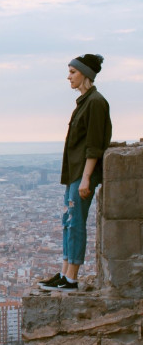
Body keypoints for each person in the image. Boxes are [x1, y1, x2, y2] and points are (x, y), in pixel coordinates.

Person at [39, 54, 112, 292]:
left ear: (85, 74)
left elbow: (94, 144)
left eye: (72, 72)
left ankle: (71, 279)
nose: (68, 76)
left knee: (76, 223)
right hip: (75, 173)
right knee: (68, 222)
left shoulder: (96, 102)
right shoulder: (85, 101)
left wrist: (87, 178)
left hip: (82, 173)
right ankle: (64, 273)